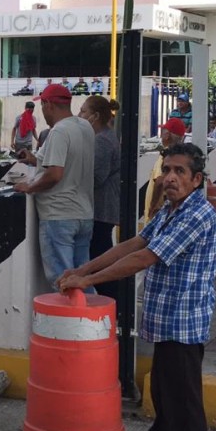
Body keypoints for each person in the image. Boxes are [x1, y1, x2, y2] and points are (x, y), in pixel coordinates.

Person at [57, 142, 216, 431]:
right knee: (164, 394)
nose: (170, 178)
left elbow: (145, 257)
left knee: (184, 407)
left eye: (179, 172)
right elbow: (131, 244)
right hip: (167, 321)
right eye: (167, 170)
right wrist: (82, 268)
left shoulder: (197, 215)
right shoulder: (170, 211)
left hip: (183, 324)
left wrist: (89, 281)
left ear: (196, 179)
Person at [13, 83, 95, 288]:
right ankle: (92, 319)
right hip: (84, 214)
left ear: (48, 104)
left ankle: (72, 320)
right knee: (81, 279)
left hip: (58, 215)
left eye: (42, 106)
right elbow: (67, 161)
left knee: (64, 282)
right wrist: (33, 159)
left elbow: (55, 174)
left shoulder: (58, 132)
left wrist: (29, 187)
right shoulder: (85, 127)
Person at [79, 95, 121, 301]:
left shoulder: (102, 141)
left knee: (100, 259)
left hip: (101, 210)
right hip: (103, 209)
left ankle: (113, 303)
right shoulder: (105, 137)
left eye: (83, 112)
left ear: (95, 116)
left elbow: (96, 177)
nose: (80, 116)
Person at [144, 118, 186, 223]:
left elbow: (159, 181)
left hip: (159, 213)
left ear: (167, 135)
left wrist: (152, 207)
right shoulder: (181, 156)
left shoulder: (166, 156)